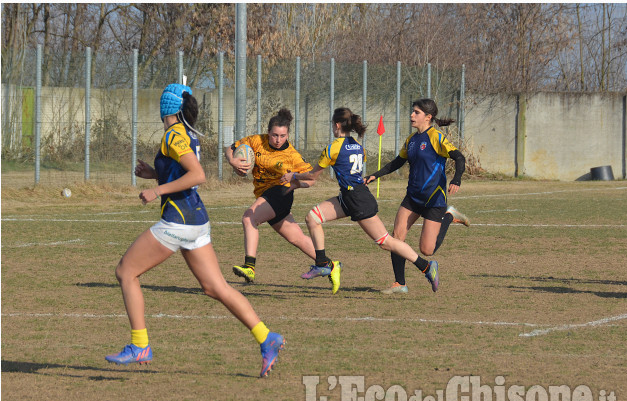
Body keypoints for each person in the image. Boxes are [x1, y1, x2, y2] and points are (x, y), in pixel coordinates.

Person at [105, 84, 284, 378]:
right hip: (196, 220)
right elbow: (183, 170)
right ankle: (267, 337)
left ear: (167, 108)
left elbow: (196, 174)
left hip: (178, 221)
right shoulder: (185, 134)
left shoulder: (173, 135)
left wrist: (157, 189)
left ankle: (140, 345)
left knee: (126, 272)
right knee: (216, 288)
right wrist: (154, 172)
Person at [280, 107, 438, 294]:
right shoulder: (357, 146)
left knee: (386, 242)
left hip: (357, 199)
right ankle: (323, 263)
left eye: (333, 125)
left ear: (337, 125)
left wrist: (294, 176)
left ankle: (427, 267)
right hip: (349, 196)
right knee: (312, 217)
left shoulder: (333, 148)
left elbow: (313, 175)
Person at [225, 109, 341, 288]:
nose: (278, 140)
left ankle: (249, 266)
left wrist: (296, 182)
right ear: (268, 132)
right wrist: (232, 161)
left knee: (249, 218)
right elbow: (230, 148)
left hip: (280, 194)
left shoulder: (292, 156)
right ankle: (330, 265)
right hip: (266, 196)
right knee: (297, 238)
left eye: (282, 136)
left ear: (287, 134)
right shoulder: (256, 141)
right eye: (274, 135)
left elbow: (311, 179)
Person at [364, 98, 470, 295]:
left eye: (416, 112)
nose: (412, 115)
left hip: (434, 200)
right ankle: (400, 283)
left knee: (427, 251)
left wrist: (457, 179)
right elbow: (397, 162)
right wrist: (374, 175)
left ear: (428, 117)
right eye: (412, 111)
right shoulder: (411, 140)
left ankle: (449, 215)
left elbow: (459, 157)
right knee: (397, 238)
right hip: (412, 197)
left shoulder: (436, 137)